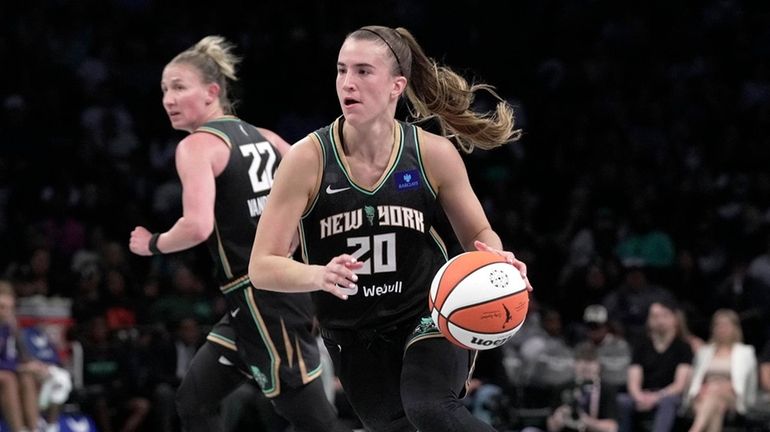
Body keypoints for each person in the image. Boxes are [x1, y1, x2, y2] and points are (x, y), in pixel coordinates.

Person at [248, 25, 531, 432]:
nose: (348, 82)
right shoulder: (306, 159)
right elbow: (262, 265)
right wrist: (319, 274)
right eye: (342, 70)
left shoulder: (432, 154)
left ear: (397, 85)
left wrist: (495, 256)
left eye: (363, 71)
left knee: (429, 407)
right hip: (354, 332)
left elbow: (479, 234)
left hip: (428, 313)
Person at [128, 36, 350, 432]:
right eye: (164, 89)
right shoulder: (265, 137)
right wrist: (298, 238)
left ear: (213, 92)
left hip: (263, 297)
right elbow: (323, 184)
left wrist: (152, 243)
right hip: (256, 301)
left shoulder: (197, 146)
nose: (168, 99)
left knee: (314, 420)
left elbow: (197, 227)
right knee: (194, 400)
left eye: (179, 87)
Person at [616, 300, 693, 432]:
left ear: (675, 319)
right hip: (644, 394)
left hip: (668, 395)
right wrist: (639, 396)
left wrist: (656, 397)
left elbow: (679, 385)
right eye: (655, 316)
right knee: (622, 401)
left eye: (664, 316)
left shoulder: (683, 347)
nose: (659, 321)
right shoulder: (641, 345)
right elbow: (633, 380)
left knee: (668, 402)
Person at [683, 309, 757, 432]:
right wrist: (703, 390)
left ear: (735, 328)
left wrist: (723, 388)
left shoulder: (746, 352)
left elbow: (750, 384)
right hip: (704, 395)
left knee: (715, 395)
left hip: (731, 397)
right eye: (718, 325)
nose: (721, 328)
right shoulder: (703, 352)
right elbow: (696, 378)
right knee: (715, 406)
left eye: (726, 325)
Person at [521, 342, 618, 432]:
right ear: (573, 364)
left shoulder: (606, 389)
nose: (586, 366)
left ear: (598, 365)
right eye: (582, 360)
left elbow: (611, 428)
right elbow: (552, 427)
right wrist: (558, 417)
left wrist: (586, 421)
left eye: (590, 361)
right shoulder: (562, 387)